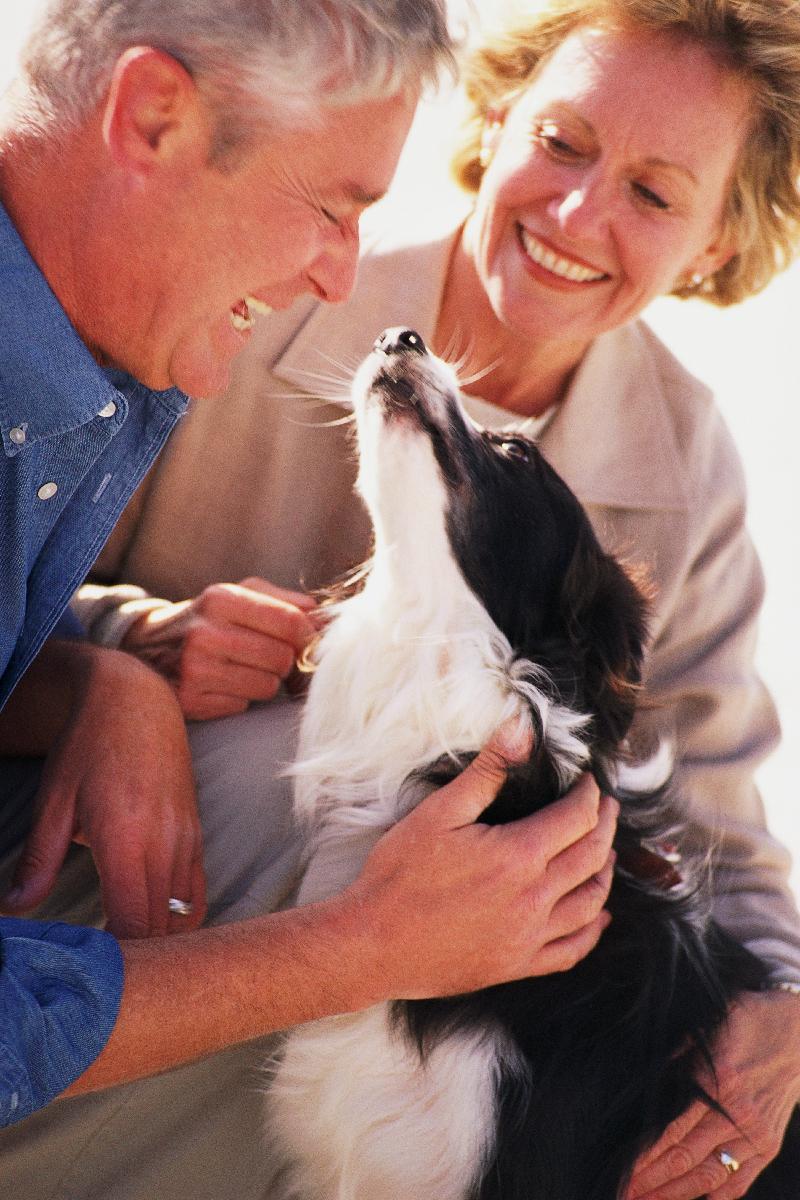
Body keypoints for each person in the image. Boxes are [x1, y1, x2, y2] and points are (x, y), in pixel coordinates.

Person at [67, 0, 800, 1197]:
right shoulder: (259, 285)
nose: (575, 215)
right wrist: (125, 661)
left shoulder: (683, 460)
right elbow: (28, 583)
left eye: (654, 195)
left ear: (715, 243)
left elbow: (713, 820)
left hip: (424, 1023)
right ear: (497, 119)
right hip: (107, 864)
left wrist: (781, 1014)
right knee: (299, 784)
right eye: (560, 142)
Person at [0, 2, 625, 1197]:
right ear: (152, 117)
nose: (342, 272)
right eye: (331, 207)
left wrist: (102, 667)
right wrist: (352, 951)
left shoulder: (81, 351)